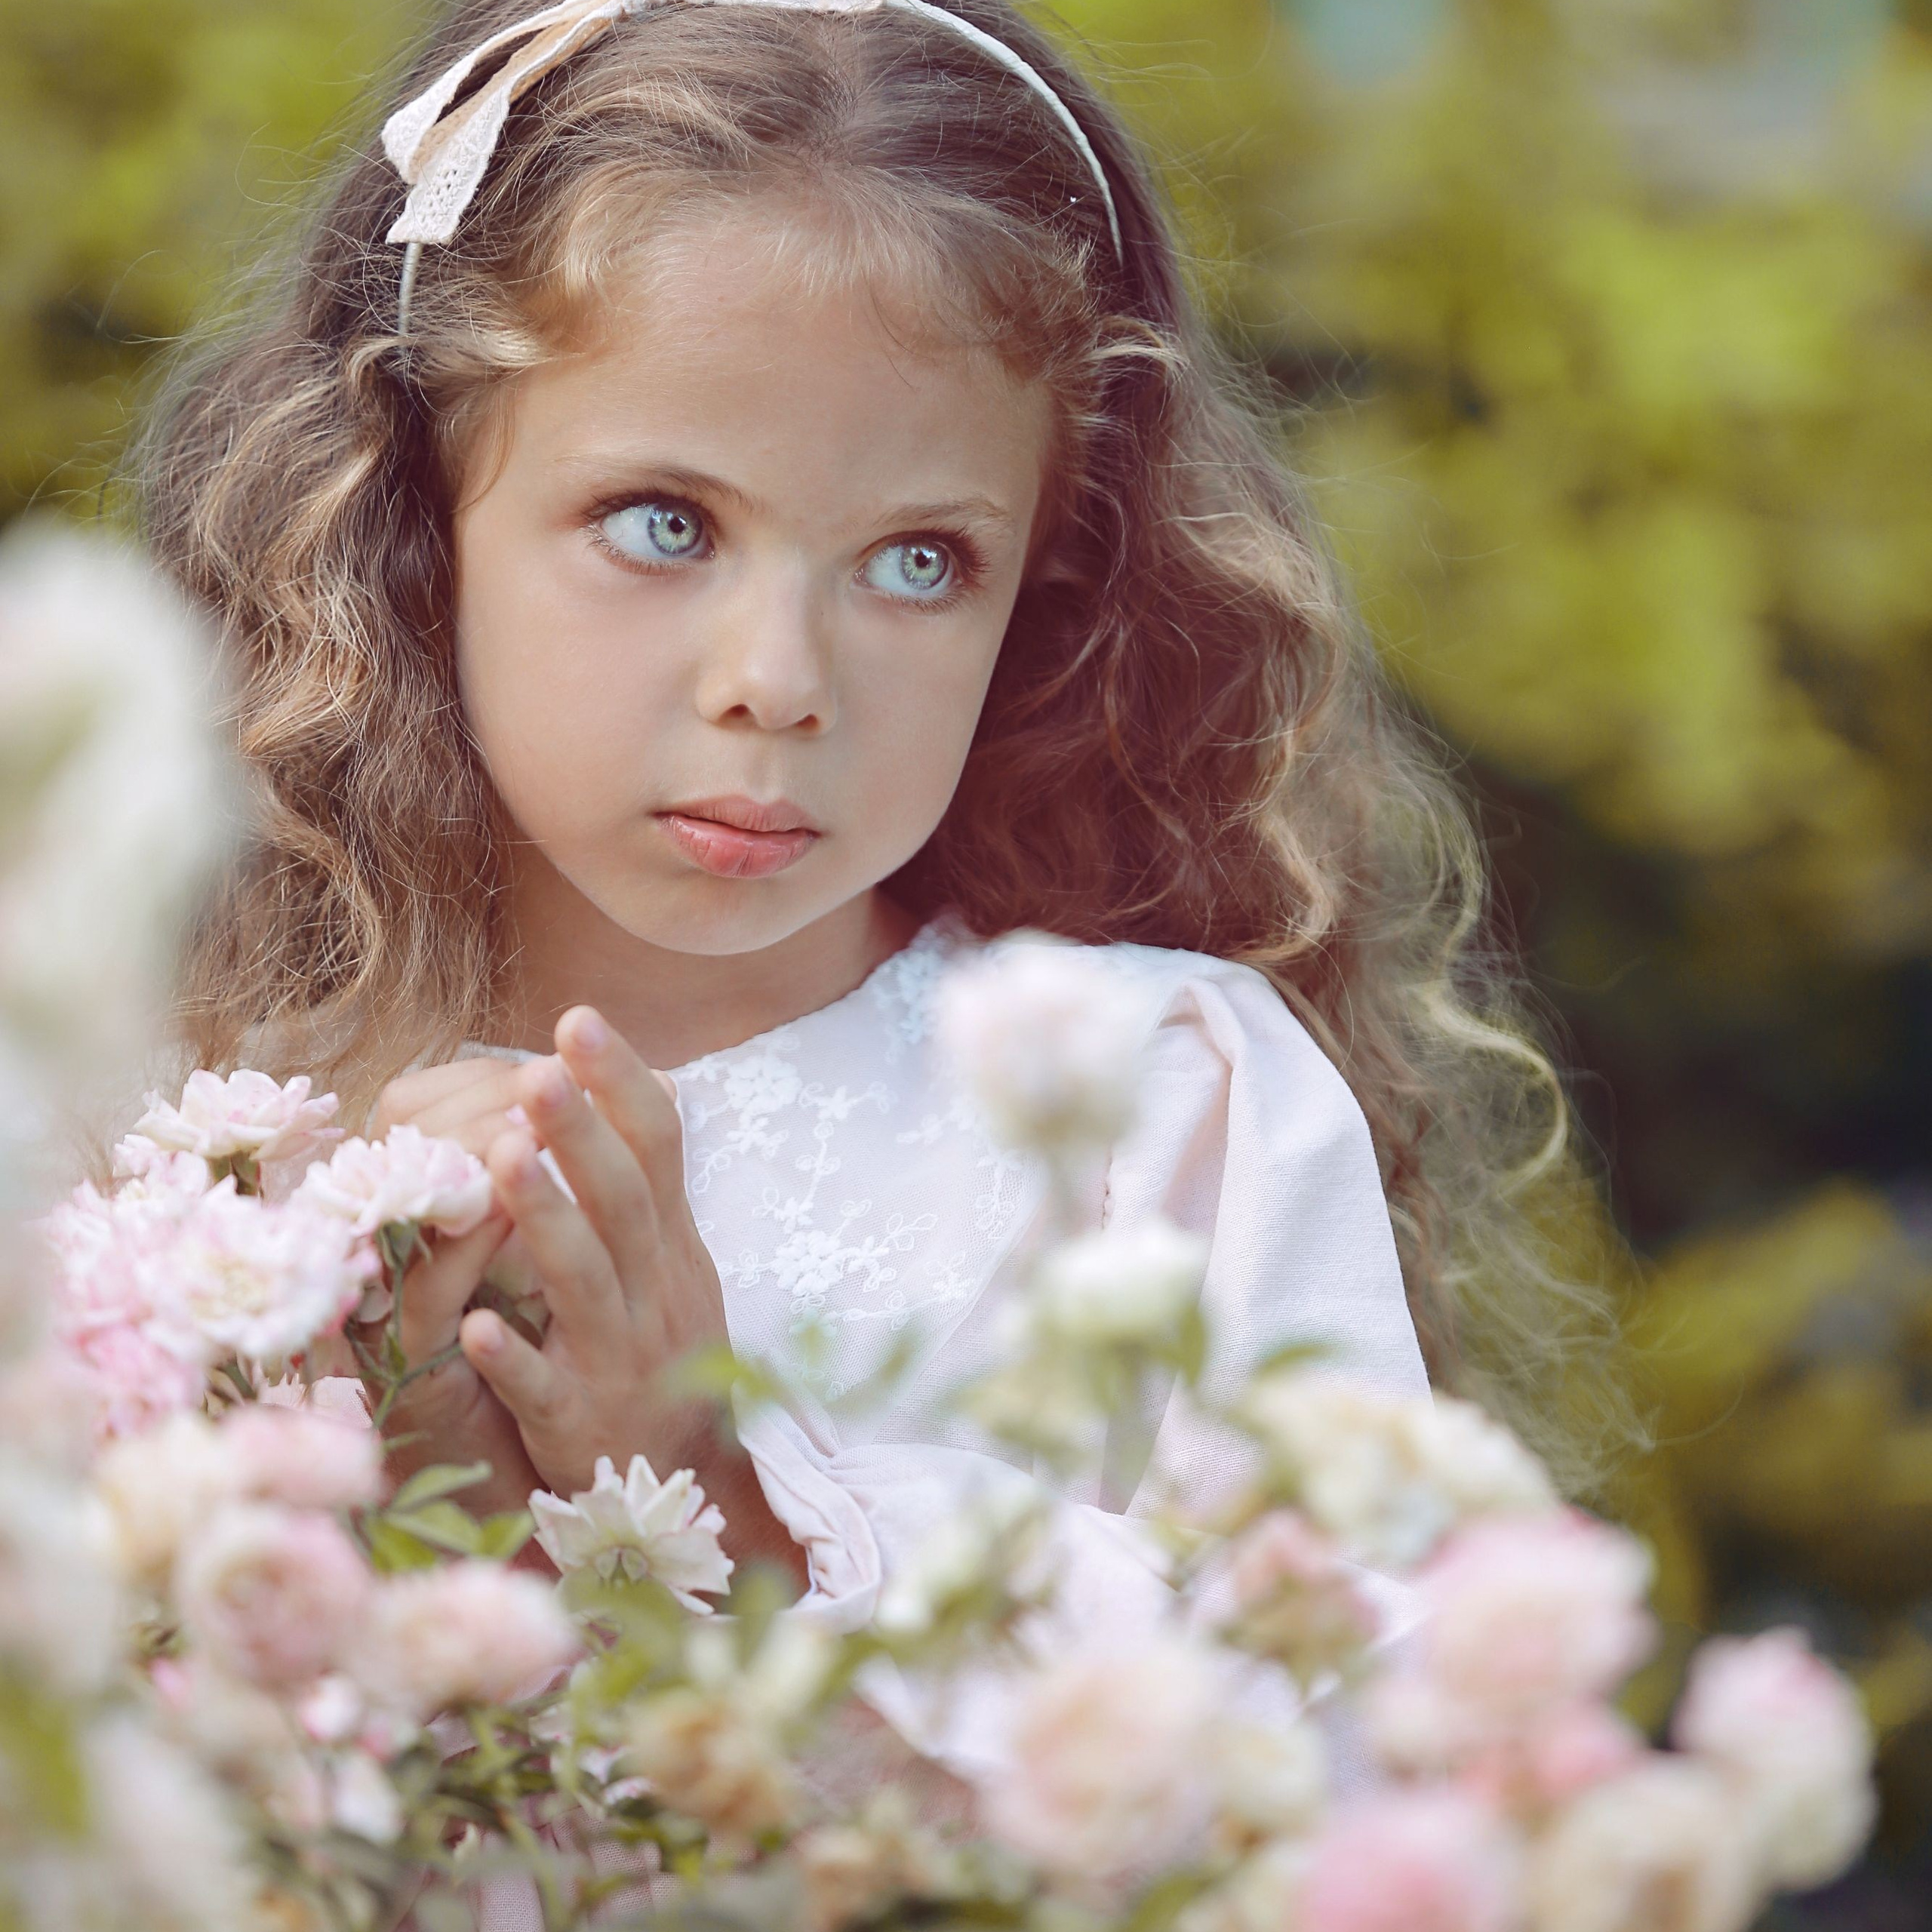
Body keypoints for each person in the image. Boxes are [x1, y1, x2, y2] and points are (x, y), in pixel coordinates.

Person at [134, 0, 1626, 1767]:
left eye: (917, 560)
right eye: (662, 522)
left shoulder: (1159, 1111)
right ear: (408, 509)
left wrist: (716, 1497)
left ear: (1048, 586)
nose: (779, 676)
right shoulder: (183, 1111)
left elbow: (1360, 1760)